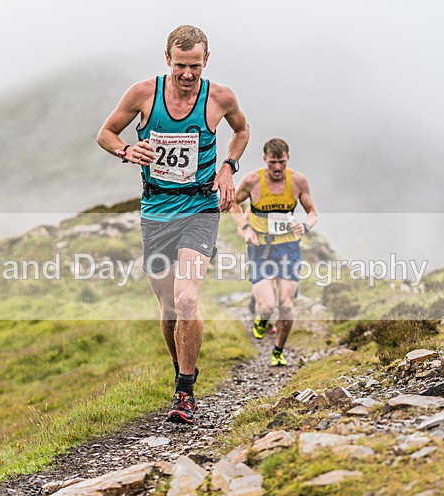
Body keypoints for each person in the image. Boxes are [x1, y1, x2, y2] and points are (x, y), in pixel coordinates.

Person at [97, 25, 249, 424]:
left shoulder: (220, 97)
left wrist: (229, 168)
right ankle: (184, 366)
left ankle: (184, 391)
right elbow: (105, 134)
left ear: (206, 61)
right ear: (167, 60)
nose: (187, 75)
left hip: (200, 208)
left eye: (194, 66)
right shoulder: (143, 94)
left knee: (185, 298)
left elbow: (242, 131)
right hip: (156, 212)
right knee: (167, 305)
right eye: (180, 65)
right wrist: (128, 150)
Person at [230, 138, 317, 366]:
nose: (277, 168)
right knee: (268, 306)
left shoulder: (298, 181)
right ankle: (262, 318)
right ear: (264, 160)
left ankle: (278, 351)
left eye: (281, 162)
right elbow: (233, 203)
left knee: (286, 304)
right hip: (261, 249)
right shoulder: (252, 180)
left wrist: (306, 225)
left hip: (288, 248)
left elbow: (312, 213)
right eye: (272, 163)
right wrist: (245, 227)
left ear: (287, 159)